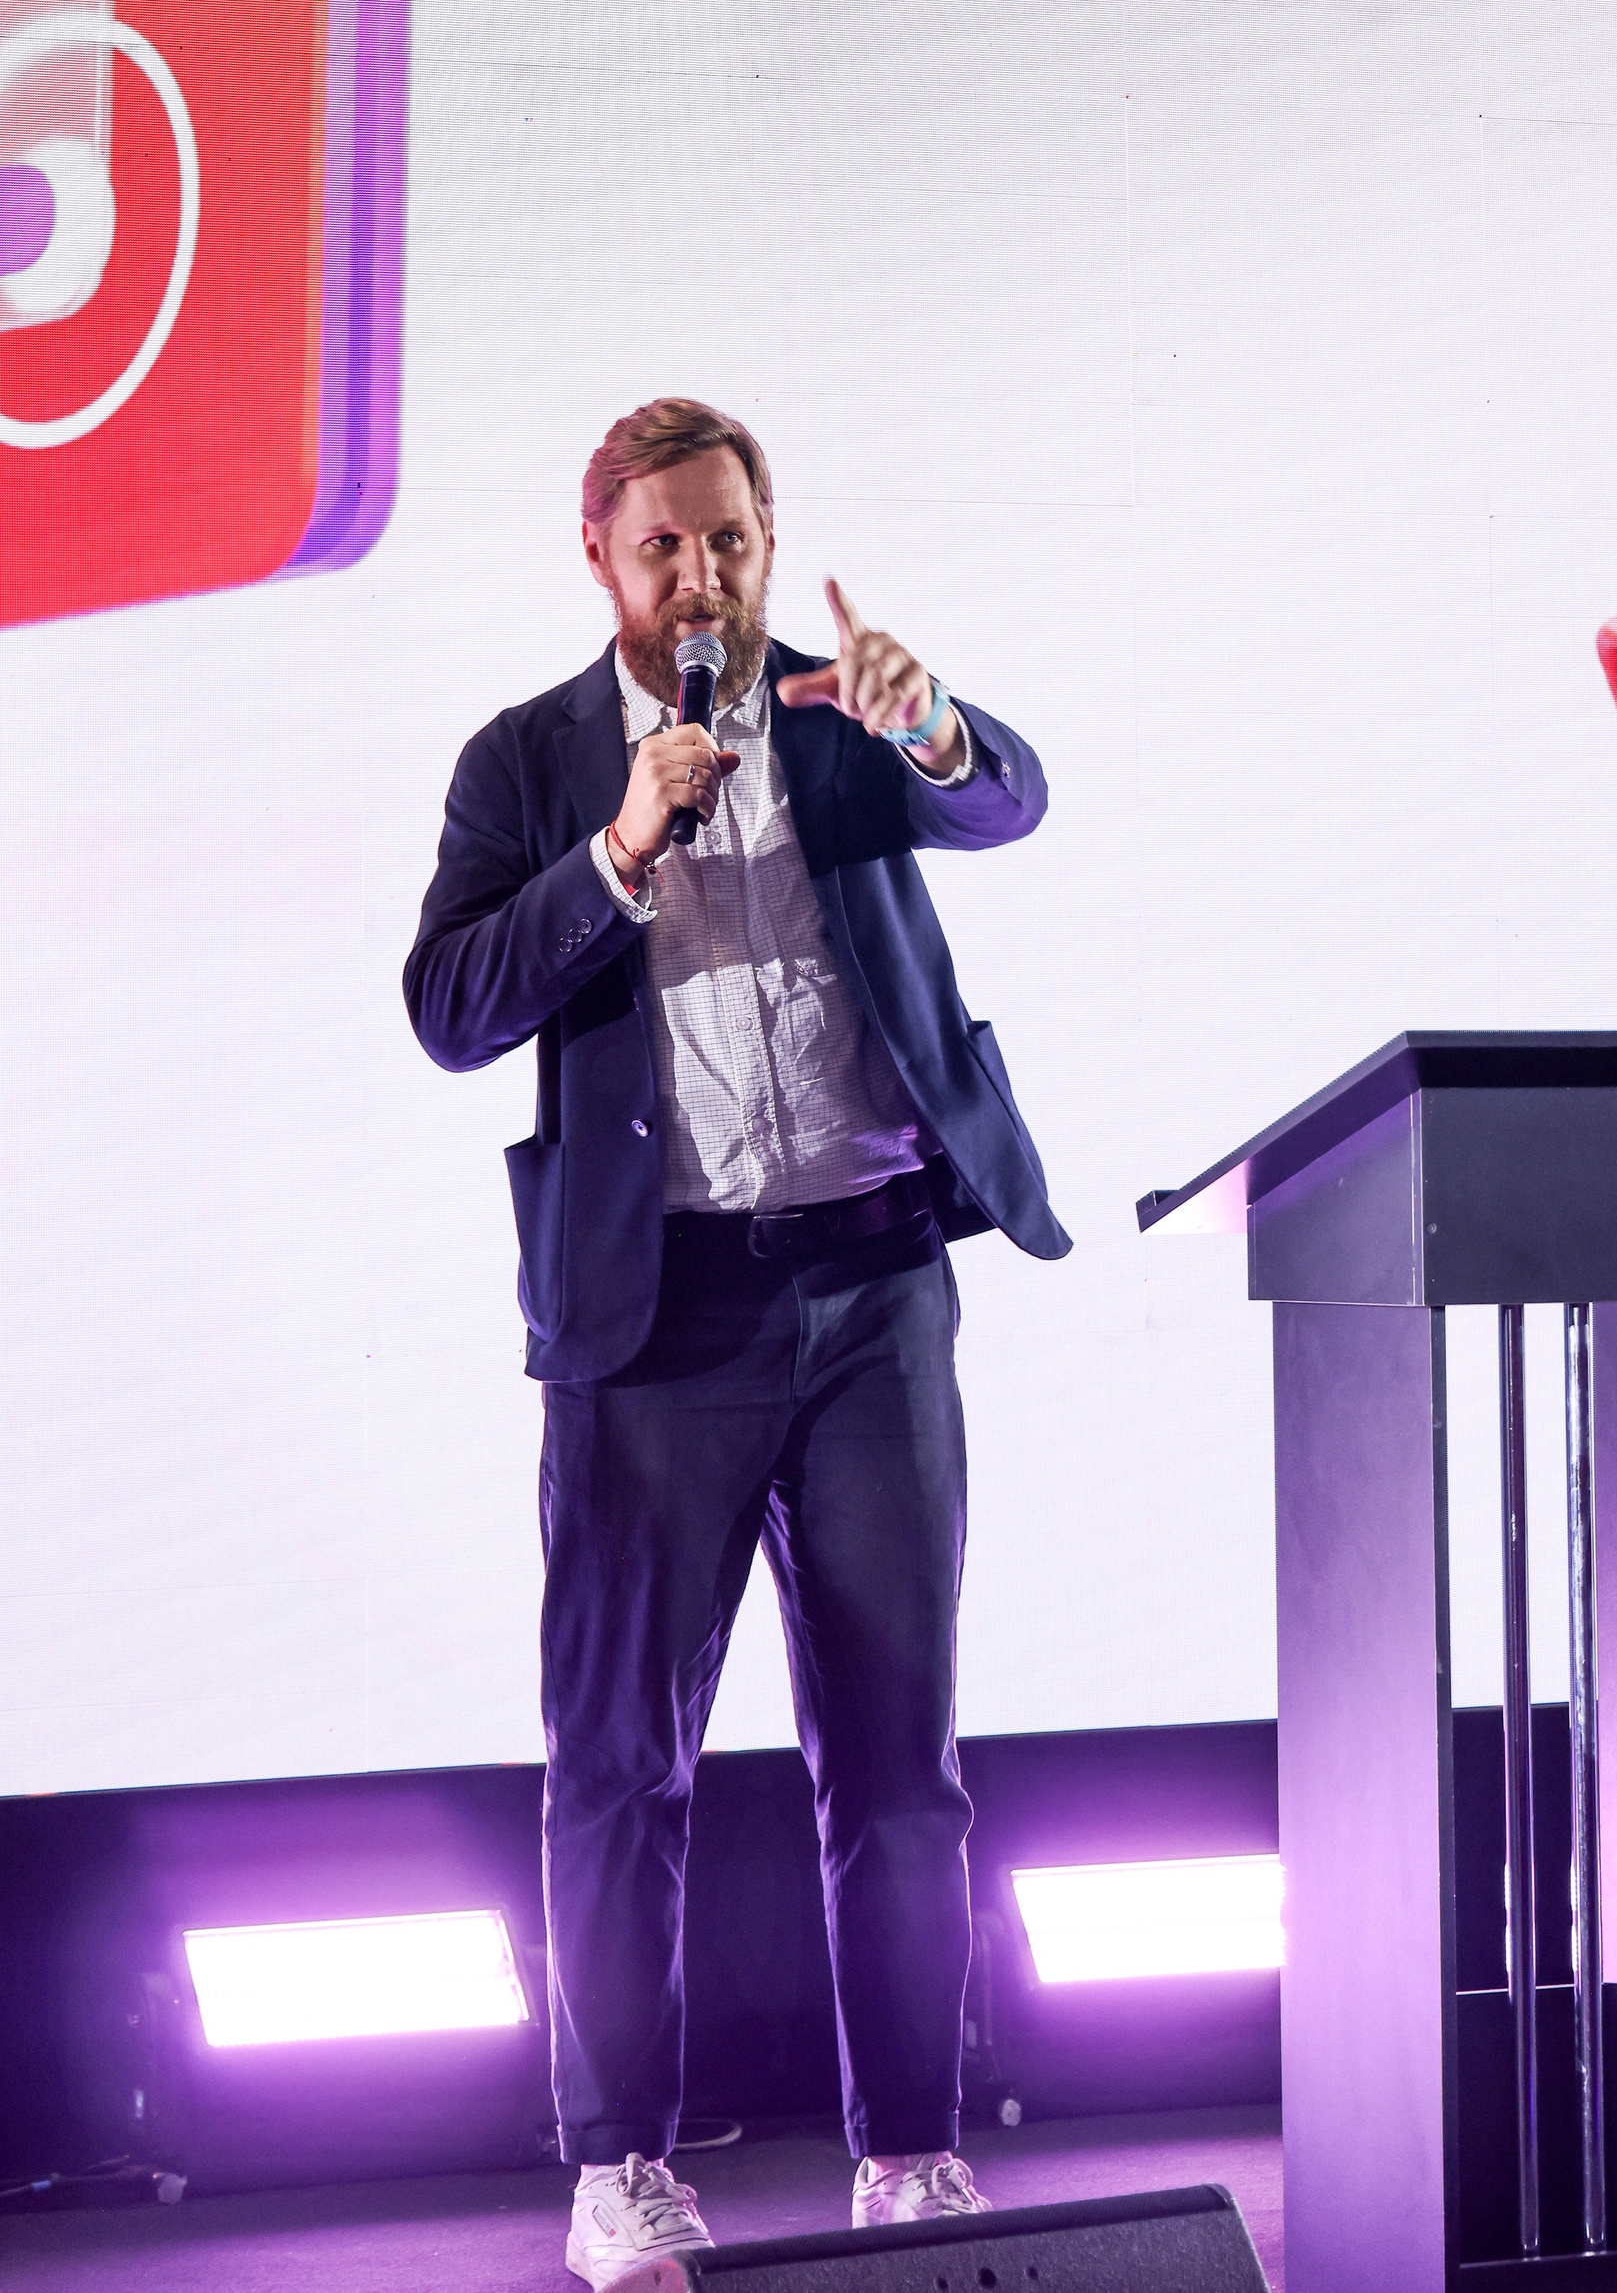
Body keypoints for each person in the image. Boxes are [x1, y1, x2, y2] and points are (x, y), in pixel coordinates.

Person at [404, 397, 1068, 2286]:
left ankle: (912, 2157)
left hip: (875, 1289)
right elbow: (449, 1005)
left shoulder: (846, 708)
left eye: (731, 541)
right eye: (666, 548)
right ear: (600, 559)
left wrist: (932, 726)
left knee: (901, 1761)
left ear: (769, 539)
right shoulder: (529, 760)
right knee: (622, 1766)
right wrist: (620, 848)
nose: (702, 578)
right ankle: (619, 2169)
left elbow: (1009, 800)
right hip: (658, 1319)